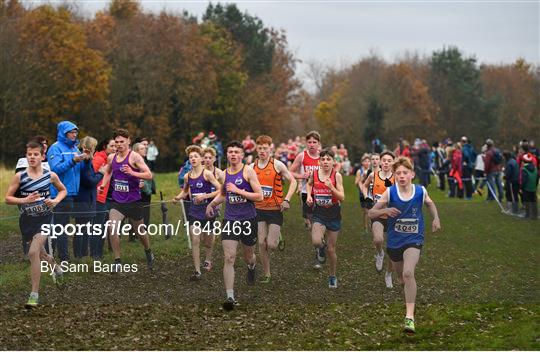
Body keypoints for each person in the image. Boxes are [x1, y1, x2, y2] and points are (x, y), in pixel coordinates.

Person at [369, 156, 441, 334]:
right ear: (394, 175)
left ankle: (409, 317)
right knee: (402, 279)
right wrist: (385, 210)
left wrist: (436, 218)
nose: (401, 176)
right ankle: (409, 296)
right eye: (398, 173)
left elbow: (430, 204)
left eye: (405, 173)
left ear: (412, 174)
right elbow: (371, 213)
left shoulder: (420, 191)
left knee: (409, 273)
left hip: (414, 240)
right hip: (395, 242)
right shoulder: (390, 192)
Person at [5, 141, 67, 308]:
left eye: (35, 154)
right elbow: (8, 198)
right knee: (40, 255)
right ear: (26, 156)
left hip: (44, 219)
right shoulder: (20, 176)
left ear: (42, 156)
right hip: (26, 220)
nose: (32, 157)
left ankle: (34, 294)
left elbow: (63, 190)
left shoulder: (50, 175)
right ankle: (56, 267)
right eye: (29, 154)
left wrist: (55, 201)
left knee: (33, 253)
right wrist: (24, 200)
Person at [205, 141, 263, 310]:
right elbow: (223, 194)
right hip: (230, 220)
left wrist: (239, 191)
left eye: (236, 152)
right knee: (229, 257)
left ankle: (252, 265)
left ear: (242, 155)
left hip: (248, 219)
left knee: (248, 256)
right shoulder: (224, 174)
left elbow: (259, 196)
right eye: (230, 152)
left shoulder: (248, 172)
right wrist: (212, 204)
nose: (233, 154)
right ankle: (230, 296)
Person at [98, 128, 155, 271]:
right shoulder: (112, 158)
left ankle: (148, 251)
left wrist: (132, 172)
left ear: (128, 141)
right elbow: (109, 172)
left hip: (133, 201)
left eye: (122, 141)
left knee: (140, 232)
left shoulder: (134, 157)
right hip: (117, 201)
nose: (119, 144)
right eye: (116, 142)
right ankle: (117, 260)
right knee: (112, 227)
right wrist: (104, 185)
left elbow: (149, 175)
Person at [252, 135, 297, 283]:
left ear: (271, 148)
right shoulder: (252, 167)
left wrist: (287, 199)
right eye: (260, 148)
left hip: (275, 209)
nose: (262, 151)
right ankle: (267, 274)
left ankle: (278, 236)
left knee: (271, 244)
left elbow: (293, 182)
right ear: (256, 149)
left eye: (265, 148)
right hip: (258, 209)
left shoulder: (277, 165)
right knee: (261, 243)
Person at [174, 145, 221, 280]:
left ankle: (207, 259)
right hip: (194, 212)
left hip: (208, 211)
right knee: (195, 239)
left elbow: (220, 190)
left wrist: (205, 197)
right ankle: (197, 270)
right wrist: (178, 197)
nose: (193, 159)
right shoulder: (187, 176)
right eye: (191, 157)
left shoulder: (207, 174)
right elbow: (184, 191)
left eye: (195, 156)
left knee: (207, 242)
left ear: (201, 159)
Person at [47, 121, 90, 263]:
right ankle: (63, 258)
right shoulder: (55, 148)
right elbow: (55, 170)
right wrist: (73, 160)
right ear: (63, 133)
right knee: (60, 228)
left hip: (74, 194)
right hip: (60, 194)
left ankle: (53, 256)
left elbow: (81, 170)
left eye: (76, 132)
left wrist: (86, 160)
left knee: (63, 227)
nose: (74, 134)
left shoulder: (75, 149)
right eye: (71, 132)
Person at [306, 148, 345, 288]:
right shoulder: (315, 174)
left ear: (333, 162)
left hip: (334, 213)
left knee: (331, 250)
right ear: (319, 161)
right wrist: (310, 196)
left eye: (329, 159)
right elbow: (309, 184)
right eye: (323, 159)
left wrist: (331, 188)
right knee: (316, 241)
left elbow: (342, 197)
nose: (326, 162)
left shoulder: (337, 176)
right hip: (319, 212)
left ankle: (332, 276)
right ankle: (320, 249)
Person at [362, 151, 395, 288]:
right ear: (380, 162)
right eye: (384, 160)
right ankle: (380, 253)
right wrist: (367, 196)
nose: (386, 163)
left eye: (389, 160)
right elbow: (364, 186)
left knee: (394, 250)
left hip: (393, 217)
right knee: (378, 239)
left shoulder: (397, 178)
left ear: (393, 163)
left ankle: (388, 274)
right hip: (377, 215)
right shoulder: (373, 176)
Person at [73, 136, 104, 259]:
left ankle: (82, 254)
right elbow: (89, 181)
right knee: (81, 228)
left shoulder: (86, 160)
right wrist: (101, 173)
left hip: (85, 199)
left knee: (84, 228)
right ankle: (79, 255)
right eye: (95, 147)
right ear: (91, 148)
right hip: (84, 200)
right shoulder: (85, 161)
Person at [289, 131, 321, 231]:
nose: (311, 144)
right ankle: (317, 239)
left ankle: (320, 236)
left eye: (314, 142)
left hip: (321, 191)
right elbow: (290, 172)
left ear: (318, 143)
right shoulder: (301, 156)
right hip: (306, 192)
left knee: (321, 217)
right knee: (311, 218)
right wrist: (302, 176)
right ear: (306, 143)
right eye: (309, 142)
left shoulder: (323, 156)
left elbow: (333, 169)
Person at [91, 138, 116, 260]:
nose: (114, 148)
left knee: (102, 226)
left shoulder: (108, 160)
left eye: (115, 146)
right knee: (98, 226)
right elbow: (91, 177)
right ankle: (95, 253)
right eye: (112, 146)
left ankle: (98, 253)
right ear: (104, 146)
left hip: (105, 197)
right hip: (98, 197)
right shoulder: (98, 159)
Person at [133, 142, 156, 227]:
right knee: (136, 214)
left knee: (146, 212)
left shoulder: (145, 161)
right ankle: (134, 235)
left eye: (145, 148)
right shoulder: (134, 162)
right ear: (136, 151)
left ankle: (144, 231)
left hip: (147, 191)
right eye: (142, 149)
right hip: (138, 192)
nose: (145, 150)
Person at [355, 154, 372, 235]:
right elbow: (356, 183)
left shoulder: (372, 170)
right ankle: (365, 227)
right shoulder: (359, 171)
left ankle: (371, 224)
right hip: (362, 193)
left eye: (369, 161)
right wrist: (363, 177)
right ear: (362, 162)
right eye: (365, 161)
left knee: (371, 210)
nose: (367, 163)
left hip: (371, 192)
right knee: (365, 211)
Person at [520, 153, 538, 220]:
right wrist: (535, 186)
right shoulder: (535, 167)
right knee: (533, 201)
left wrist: (521, 187)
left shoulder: (524, 169)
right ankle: (535, 215)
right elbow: (537, 178)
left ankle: (527, 215)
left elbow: (524, 180)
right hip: (533, 187)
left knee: (527, 201)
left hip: (526, 188)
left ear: (524, 161)